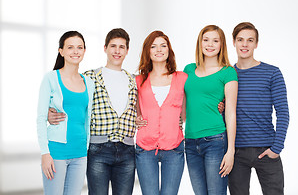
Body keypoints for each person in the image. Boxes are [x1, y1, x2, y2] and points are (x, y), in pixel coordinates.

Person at [48, 28, 137, 195]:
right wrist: (49, 112)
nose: (117, 51)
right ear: (105, 48)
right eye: (113, 46)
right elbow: (70, 99)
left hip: (127, 151)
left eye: (121, 47)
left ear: (127, 50)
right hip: (98, 150)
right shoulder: (90, 78)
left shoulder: (134, 80)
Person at [228, 22, 289, 195]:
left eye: (250, 40)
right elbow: (225, 111)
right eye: (240, 40)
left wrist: (277, 147)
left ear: (256, 43)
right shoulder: (227, 74)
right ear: (233, 42)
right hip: (236, 152)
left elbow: (283, 112)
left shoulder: (272, 73)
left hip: (267, 149)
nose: (245, 44)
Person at [37, 31, 95, 195]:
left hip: (80, 153)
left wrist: (86, 148)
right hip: (56, 151)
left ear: (84, 51)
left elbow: (87, 118)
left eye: (79, 47)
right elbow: (41, 118)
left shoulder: (89, 83)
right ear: (61, 51)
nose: (75, 51)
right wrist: (45, 153)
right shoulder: (50, 78)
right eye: (70, 47)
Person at [184, 25, 238, 195]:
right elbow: (180, 105)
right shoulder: (188, 70)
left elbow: (230, 112)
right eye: (206, 40)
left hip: (215, 140)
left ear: (222, 45)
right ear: (200, 43)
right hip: (190, 142)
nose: (210, 44)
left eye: (215, 40)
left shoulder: (228, 72)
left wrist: (230, 151)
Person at [135, 31, 187, 195]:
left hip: (174, 148)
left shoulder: (182, 78)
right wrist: (136, 118)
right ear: (148, 51)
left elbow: (194, 103)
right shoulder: (138, 80)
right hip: (145, 148)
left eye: (163, 46)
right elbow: (134, 109)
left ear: (169, 50)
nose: (159, 50)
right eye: (153, 46)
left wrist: (220, 104)